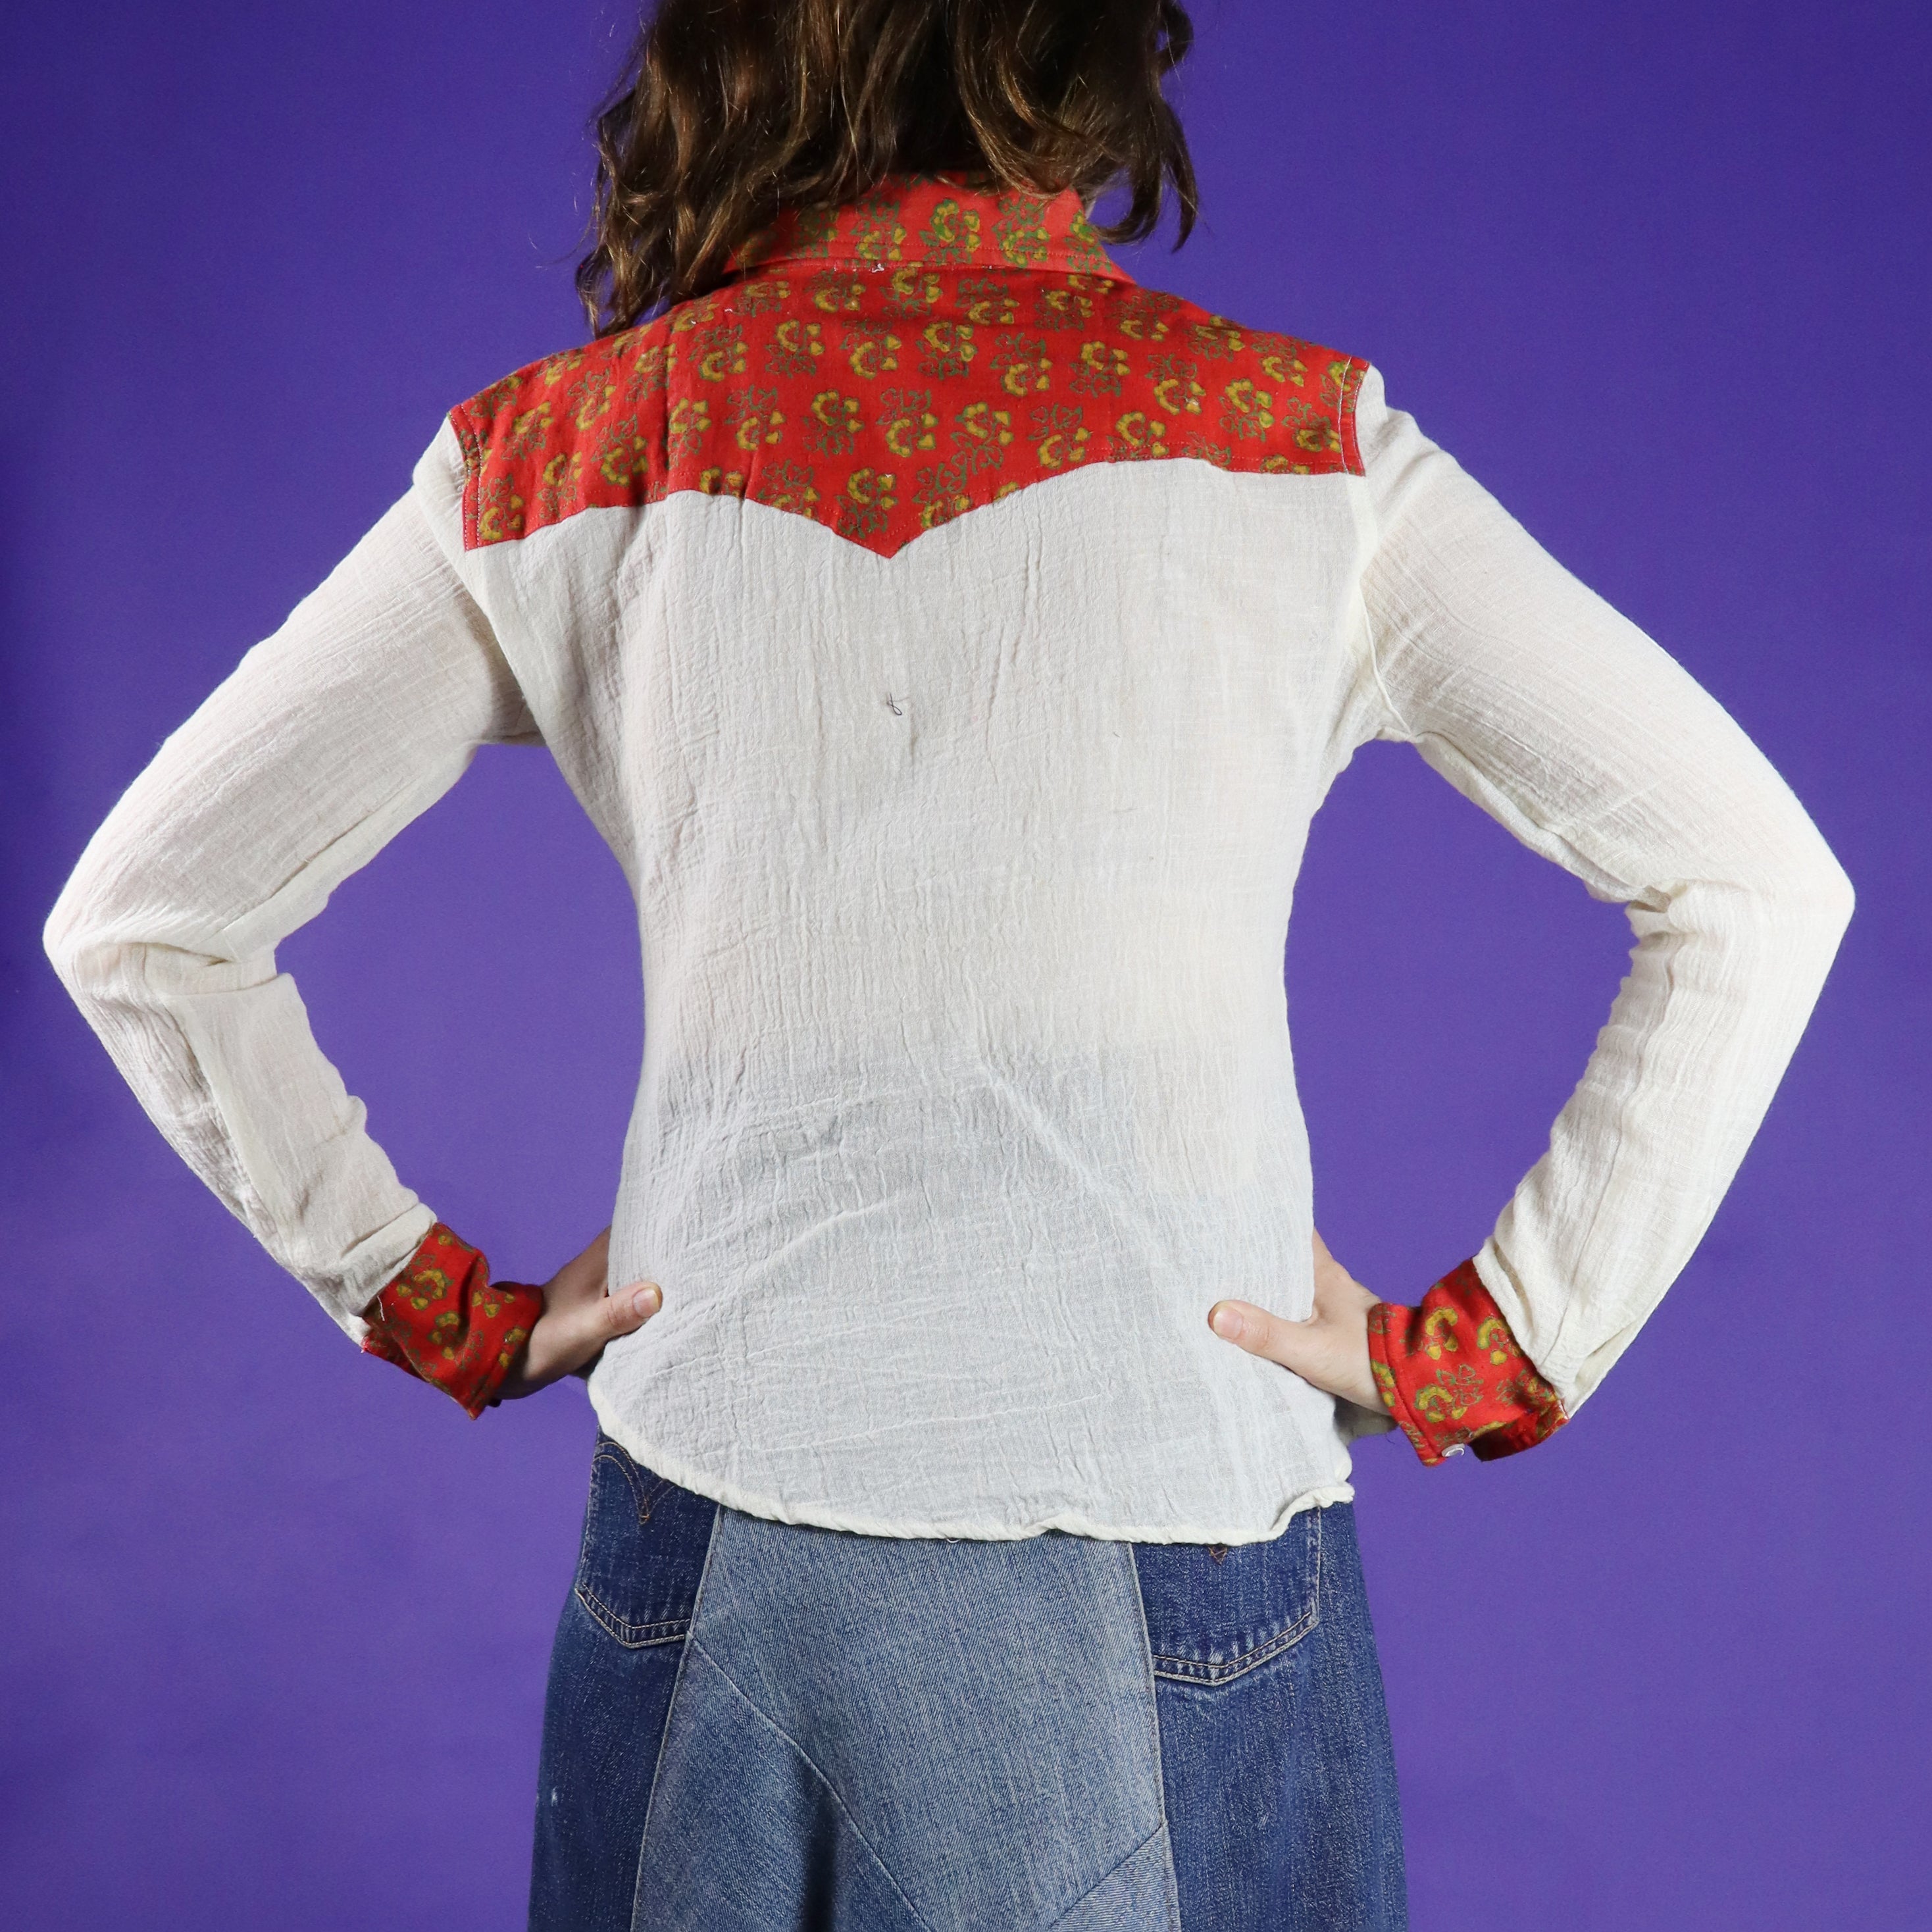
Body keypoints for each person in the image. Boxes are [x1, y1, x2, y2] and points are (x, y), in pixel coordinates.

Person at [42, 2, 1853, 1926]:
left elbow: (144, 919)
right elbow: (1752, 881)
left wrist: (443, 1312)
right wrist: (1491, 1348)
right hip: (1161, 1521)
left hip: (706, 1540)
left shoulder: (557, 458)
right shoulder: (1303, 451)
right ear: (1087, 50)